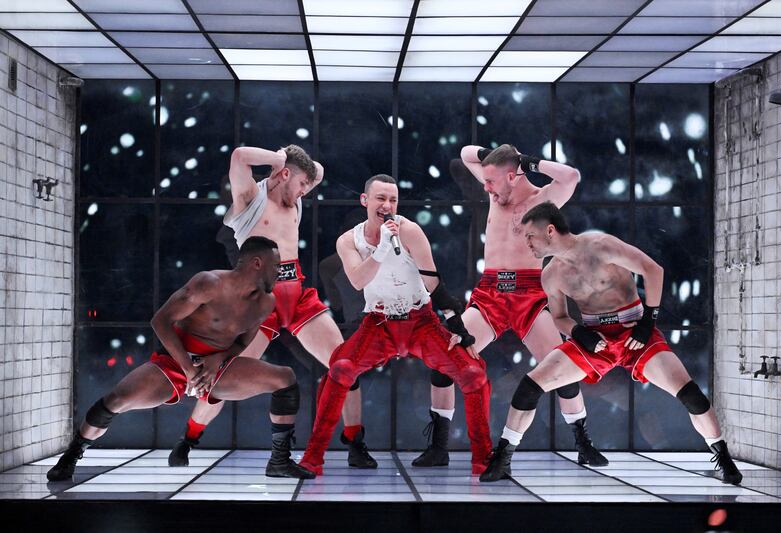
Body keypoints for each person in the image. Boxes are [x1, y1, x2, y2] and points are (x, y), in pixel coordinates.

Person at [479, 203, 742, 485]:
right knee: (530, 387)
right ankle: (503, 458)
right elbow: (559, 317)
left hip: (635, 334)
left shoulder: (601, 245)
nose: (527, 242)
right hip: (595, 341)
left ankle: (723, 457)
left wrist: (647, 323)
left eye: (530, 235)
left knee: (691, 395)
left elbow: (653, 270)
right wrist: (579, 333)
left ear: (550, 230)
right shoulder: (550, 274)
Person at [168, 145, 375, 470]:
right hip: (255, 301)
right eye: (302, 184)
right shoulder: (250, 198)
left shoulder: (294, 197)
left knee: (345, 362)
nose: (307, 190)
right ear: (284, 174)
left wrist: (295, 167)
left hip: (296, 294)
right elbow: (238, 157)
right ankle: (189, 439)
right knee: (222, 377)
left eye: (307, 186)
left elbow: (316, 170)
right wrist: (280, 159)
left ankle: (355, 442)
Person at [47, 237, 314, 481]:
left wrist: (218, 358)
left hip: (216, 368)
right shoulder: (209, 283)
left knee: (285, 378)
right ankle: (73, 453)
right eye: (276, 265)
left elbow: (243, 343)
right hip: (175, 363)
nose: (280, 271)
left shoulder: (266, 303)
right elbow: (161, 321)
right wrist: (188, 369)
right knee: (116, 401)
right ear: (257, 263)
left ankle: (280, 461)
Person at [414, 144, 608, 468]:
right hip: (490, 292)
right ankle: (439, 445)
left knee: (560, 366)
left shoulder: (540, 202)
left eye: (491, 181)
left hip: (528, 294)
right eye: (485, 181)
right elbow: (465, 153)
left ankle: (582, 440)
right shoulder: (495, 192)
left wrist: (530, 162)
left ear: (513, 175)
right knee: (444, 357)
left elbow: (572, 177)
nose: (485, 188)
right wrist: (500, 155)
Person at [299, 174, 492, 476]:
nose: (387, 206)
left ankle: (483, 461)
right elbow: (359, 280)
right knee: (340, 370)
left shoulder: (410, 230)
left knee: (473, 374)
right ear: (365, 201)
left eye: (392, 200)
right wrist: (383, 248)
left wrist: (458, 326)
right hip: (378, 323)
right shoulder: (349, 240)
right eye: (380, 198)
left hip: (421, 321)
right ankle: (312, 460)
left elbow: (432, 282)